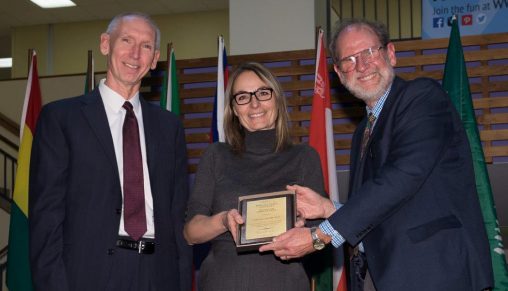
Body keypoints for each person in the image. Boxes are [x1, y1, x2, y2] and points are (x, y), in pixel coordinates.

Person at [260, 19, 494, 291]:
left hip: (436, 272)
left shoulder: (423, 97)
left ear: (390, 54)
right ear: (338, 72)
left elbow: (402, 177)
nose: (362, 65)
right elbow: (383, 208)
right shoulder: (362, 132)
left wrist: (319, 236)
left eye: (369, 52)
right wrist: (328, 208)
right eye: (349, 60)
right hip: (386, 276)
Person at [29, 12, 191, 291]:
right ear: (106, 44)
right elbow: (47, 216)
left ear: (154, 60)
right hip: (87, 275)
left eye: (146, 46)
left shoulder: (169, 127)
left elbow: (178, 214)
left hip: (158, 273)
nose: (135, 54)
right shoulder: (61, 118)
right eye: (126, 40)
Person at [184, 62, 326, 291]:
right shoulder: (215, 155)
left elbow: (321, 237)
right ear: (234, 109)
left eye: (262, 93)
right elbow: (191, 233)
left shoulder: (305, 157)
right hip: (223, 282)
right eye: (242, 97)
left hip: (285, 283)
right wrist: (222, 221)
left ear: (277, 99)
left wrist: (304, 228)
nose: (254, 103)